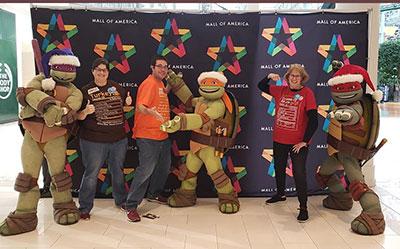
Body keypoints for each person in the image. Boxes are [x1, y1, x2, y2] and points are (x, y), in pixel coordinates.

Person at [257, 64, 318, 222]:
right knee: (279, 167)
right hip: (279, 139)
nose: (294, 78)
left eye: (297, 76)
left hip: (297, 143)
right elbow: (261, 86)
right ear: (287, 77)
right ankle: (280, 194)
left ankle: (303, 207)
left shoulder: (307, 93)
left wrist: (305, 141)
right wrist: (269, 76)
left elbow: (314, 120)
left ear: (302, 78)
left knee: (299, 173)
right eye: (292, 76)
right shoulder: (280, 91)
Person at [77, 58, 132, 220]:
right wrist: (86, 112)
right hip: (93, 141)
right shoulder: (85, 91)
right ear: (93, 71)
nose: (102, 72)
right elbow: (78, 117)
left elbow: (122, 108)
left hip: (118, 140)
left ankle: (121, 200)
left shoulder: (118, 88)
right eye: (98, 69)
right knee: (91, 173)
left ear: (108, 72)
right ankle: (85, 208)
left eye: (105, 70)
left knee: (118, 171)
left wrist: (127, 103)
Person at [125, 55, 171, 222]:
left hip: (162, 134)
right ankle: (131, 206)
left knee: (163, 168)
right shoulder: (149, 83)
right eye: (159, 66)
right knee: (145, 171)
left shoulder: (160, 83)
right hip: (148, 135)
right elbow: (141, 107)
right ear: (152, 67)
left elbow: (161, 97)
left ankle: (153, 194)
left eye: (165, 66)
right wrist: (151, 112)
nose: (163, 69)